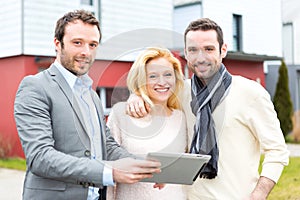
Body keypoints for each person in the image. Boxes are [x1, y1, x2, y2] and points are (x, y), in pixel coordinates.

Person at [126, 18, 289, 200]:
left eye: (209, 49)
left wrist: (259, 194)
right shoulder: (181, 92)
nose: (201, 58)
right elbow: (153, 91)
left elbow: (277, 150)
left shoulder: (250, 93)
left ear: (223, 50)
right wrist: (136, 95)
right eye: (193, 50)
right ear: (186, 54)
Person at [14, 10, 161, 200]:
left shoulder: (92, 95)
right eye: (77, 43)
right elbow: (41, 157)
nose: (86, 52)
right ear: (57, 44)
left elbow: (107, 147)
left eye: (93, 45)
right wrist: (110, 172)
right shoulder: (35, 87)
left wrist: (147, 165)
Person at [106, 47, 188, 200]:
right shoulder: (121, 114)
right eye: (153, 76)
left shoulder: (182, 118)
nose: (162, 82)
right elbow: (109, 167)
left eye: (168, 74)